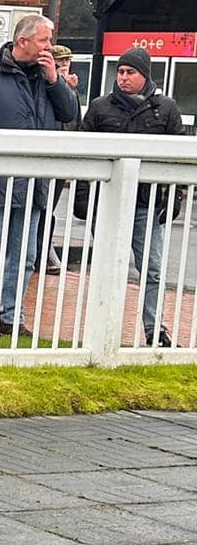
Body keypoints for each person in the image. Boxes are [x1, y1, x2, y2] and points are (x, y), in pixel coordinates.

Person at [0, 14, 76, 337]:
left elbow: (70, 113)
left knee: (25, 258)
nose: (49, 47)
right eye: (43, 41)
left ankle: (12, 318)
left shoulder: (47, 77)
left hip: (35, 184)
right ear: (23, 42)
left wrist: (54, 81)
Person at [82, 45, 191, 346]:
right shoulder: (100, 107)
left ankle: (155, 329)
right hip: (107, 203)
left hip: (146, 204)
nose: (124, 77)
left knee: (152, 269)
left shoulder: (166, 109)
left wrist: (174, 199)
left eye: (130, 72)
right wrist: (82, 199)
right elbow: (84, 154)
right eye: (120, 71)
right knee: (106, 265)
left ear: (145, 75)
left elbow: (177, 159)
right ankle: (100, 328)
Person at [32, 44, 83, 275]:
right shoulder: (45, 86)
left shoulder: (71, 90)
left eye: (66, 62)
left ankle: (43, 250)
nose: (63, 66)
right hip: (43, 157)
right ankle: (41, 253)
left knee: (48, 208)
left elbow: (76, 122)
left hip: (63, 158)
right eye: (59, 62)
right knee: (39, 207)